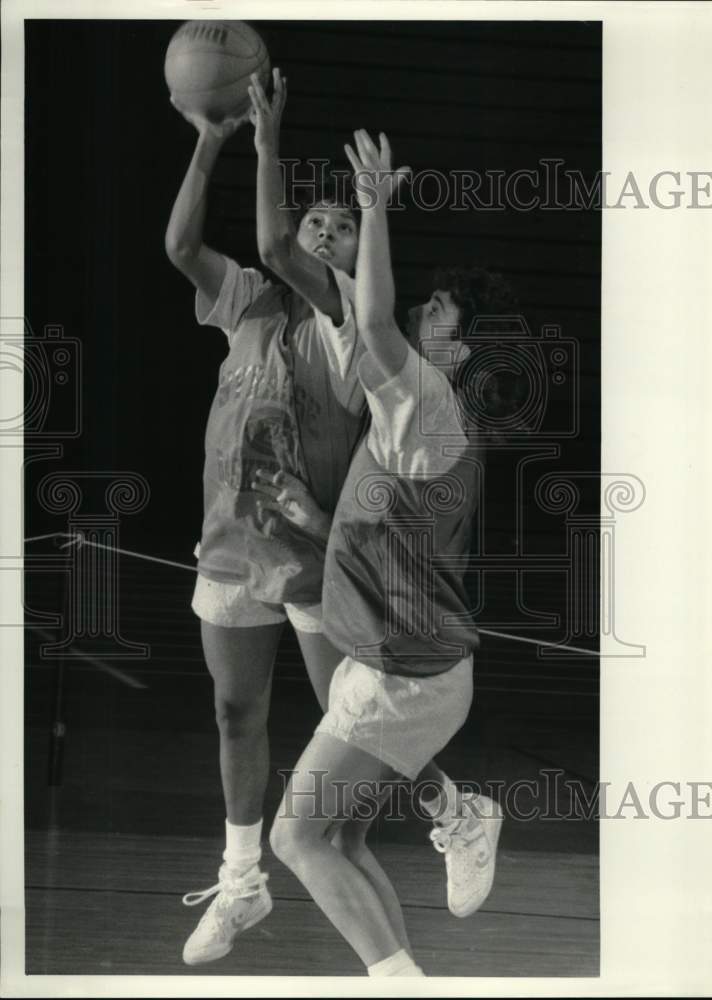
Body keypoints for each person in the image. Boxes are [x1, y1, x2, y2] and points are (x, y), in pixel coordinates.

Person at [267, 130, 516, 976]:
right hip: (403, 663)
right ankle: (404, 965)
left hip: (403, 675)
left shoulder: (427, 397)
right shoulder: (408, 405)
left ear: (459, 348)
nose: (426, 306)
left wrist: (373, 205)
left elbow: (369, 314)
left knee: (296, 836)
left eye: (444, 308)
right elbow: (304, 271)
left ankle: (404, 967)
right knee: (339, 836)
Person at [165, 69, 367, 965]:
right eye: (315, 216)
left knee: (351, 718)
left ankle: (446, 810)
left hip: (313, 549)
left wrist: (266, 138)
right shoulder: (249, 300)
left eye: (341, 222)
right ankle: (242, 878)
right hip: (230, 546)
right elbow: (179, 248)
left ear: (361, 253)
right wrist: (209, 143)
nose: (322, 227)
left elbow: (278, 245)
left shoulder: (348, 315)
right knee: (234, 712)